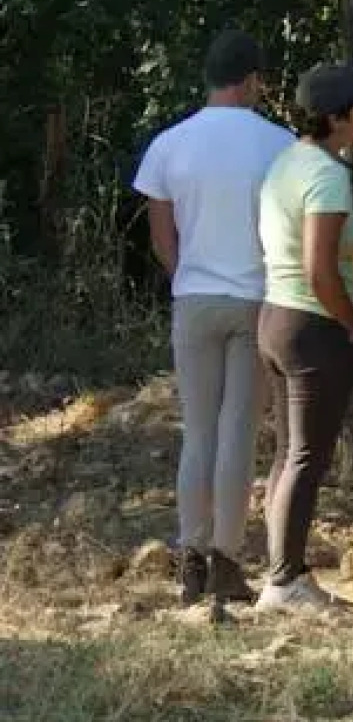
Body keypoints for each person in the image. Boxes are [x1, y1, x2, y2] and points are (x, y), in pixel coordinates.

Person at [131, 29, 296, 605]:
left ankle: (190, 554)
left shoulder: (169, 144)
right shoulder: (277, 144)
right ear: (250, 79)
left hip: (194, 296)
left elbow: (160, 234)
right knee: (238, 431)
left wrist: (186, 276)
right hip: (256, 295)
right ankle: (226, 557)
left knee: (197, 431)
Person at [254, 61, 353, 612]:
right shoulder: (327, 176)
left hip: (278, 318)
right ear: (338, 117)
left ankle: (282, 574)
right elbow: (320, 269)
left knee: (290, 455)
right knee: (307, 457)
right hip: (314, 326)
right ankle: (285, 582)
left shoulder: (288, 162)